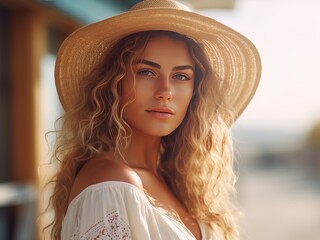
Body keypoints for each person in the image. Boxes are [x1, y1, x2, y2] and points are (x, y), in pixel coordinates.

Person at [47, 0, 261, 239]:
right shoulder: (112, 184)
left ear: (195, 92)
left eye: (181, 76)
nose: (165, 90)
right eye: (147, 72)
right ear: (113, 83)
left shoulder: (176, 181)